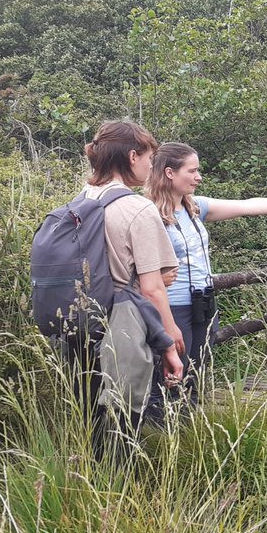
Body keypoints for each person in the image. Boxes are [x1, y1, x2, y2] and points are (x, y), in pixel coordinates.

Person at [144, 142, 267, 409]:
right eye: (192, 171)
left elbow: (246, 206)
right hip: (171, 307)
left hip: (202, 304)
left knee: (196, 371)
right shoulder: (149, 214)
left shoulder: (195, 207)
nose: (199, 177)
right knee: (171, 375)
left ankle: (189, 429)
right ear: (170, 173)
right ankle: (161, 432)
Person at [79, 120, 183, 437]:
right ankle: (125, 484)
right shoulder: (138, 208)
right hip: (122, 331)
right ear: (132, 157)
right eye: (150, 159)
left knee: (88, 422)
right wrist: (169, 344)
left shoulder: (83, 199)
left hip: (80, 328)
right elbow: (153, 288)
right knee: (124, 425)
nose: (151, 167)